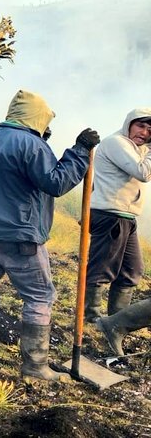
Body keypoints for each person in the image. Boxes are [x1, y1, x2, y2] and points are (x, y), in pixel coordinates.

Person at [0, 90, 99, 381]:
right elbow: (56, 182)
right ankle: (35, 366)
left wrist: (40, 144)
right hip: (19, 236)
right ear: (38, 118)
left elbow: (11, 171)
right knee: (40, 296)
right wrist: (79, 152)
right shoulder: (32, 144)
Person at [83, 109, 151, 322]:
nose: (145, 133)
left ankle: (116, 322)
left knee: (132, 270)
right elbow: (143, 172)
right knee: (103, 268)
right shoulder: (117, 143)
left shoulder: (136, 148)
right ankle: (91, 317)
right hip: (111, 214)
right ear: (129, 123)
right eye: (141, 126)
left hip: (125, 216)